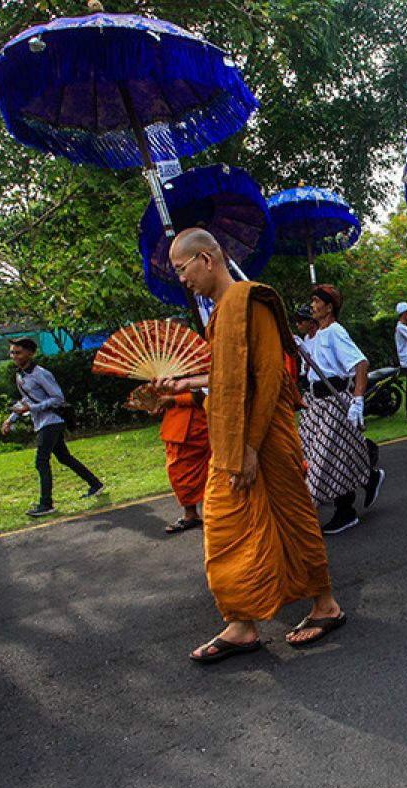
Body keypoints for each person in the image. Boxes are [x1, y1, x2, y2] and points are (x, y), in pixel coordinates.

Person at [161, 228, 345, 663]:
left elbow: (267, 378)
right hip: (231, 440)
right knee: (226, 528)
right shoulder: (220, 311)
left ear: (206, 259)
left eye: (183, 269)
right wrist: (184, 381)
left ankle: (325, 606)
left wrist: (250, 448)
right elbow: (228, 375)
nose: (182, 280)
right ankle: (242, 622)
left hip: (261, 438)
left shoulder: (249, 302)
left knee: (292, 518)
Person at [299, 284, 383, 534]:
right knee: (328, 453)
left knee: (326, 459)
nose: (312, 306)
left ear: (328, 306)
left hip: (334, 401)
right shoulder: (316, 334)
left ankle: (344, 511)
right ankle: (369, 479)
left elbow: (361, 363)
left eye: (316, 301)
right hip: (316, 403)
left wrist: (358, 399)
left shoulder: (335, 331)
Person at [1, 338, 105, 517]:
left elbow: (57, 398)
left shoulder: (41, 374)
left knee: (41, 461)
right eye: (12, 353)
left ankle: (46, 503)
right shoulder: (20, 375)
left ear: (30, 353)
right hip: (42, 422)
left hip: (52, 421)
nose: (14, 356)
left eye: (18, 352)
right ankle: (95, 484)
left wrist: (32, 408)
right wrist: (11, 419)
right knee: (64, 458)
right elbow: (26, 400)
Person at [154, 390, 210, 533]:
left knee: (211, 471)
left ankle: (214, 513)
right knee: (177, 472)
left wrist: (174, 400)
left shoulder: (201, 369)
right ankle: (191, 514)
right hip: (177, 424)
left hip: (198, 423)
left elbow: (206, 393)